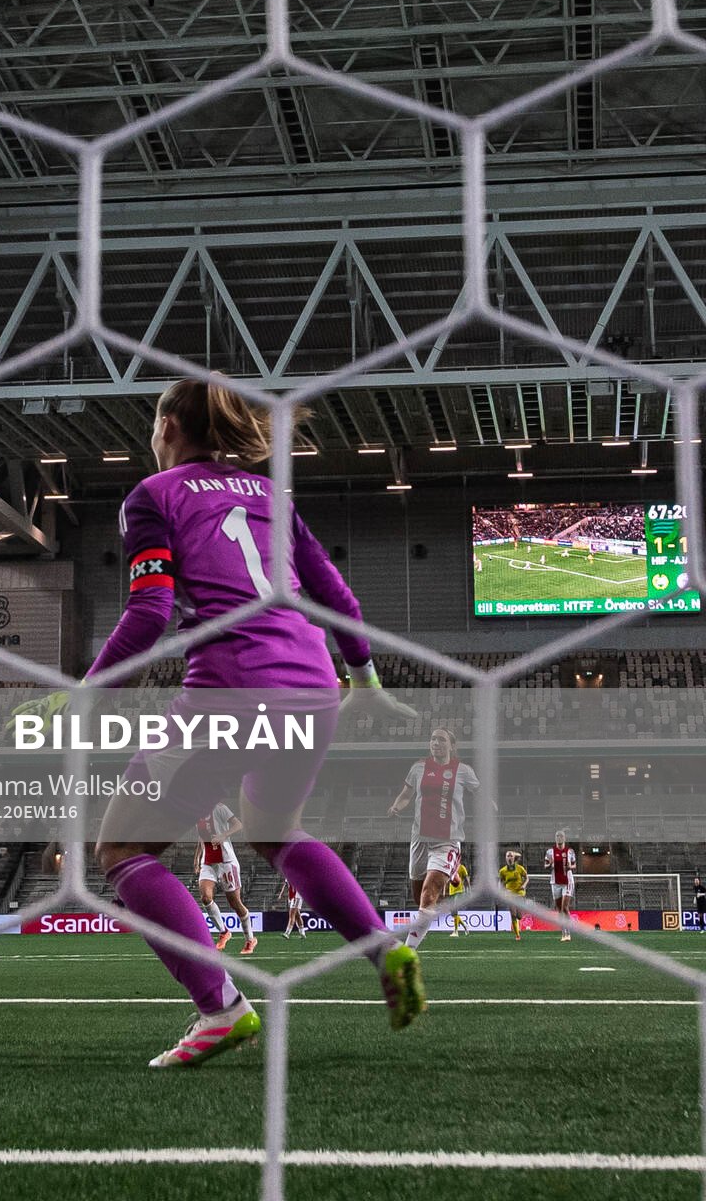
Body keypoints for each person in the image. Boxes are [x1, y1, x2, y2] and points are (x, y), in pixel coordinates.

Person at [87, 377, 424, 1070]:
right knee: (275, 831)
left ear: (168, 427)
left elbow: (149, 612)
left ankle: (221, 1009)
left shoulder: (153, 495)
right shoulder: (273, 494)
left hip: (234, 686)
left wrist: (88, 692)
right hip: (315, 685)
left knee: (122, 848)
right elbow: (337, 597)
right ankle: (383, 946)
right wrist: (364, 680)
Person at [387, 727, 479, 950]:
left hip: (447, 840)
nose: (436, 743)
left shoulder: (463, 771)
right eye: (433, 739)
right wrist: (396, 806)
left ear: (452, 746)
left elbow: (479, 792)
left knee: (429, 895)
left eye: (441, 739)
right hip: (419, 839)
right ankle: (450, 875)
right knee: (419, 898)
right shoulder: (418, 768)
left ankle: (408, 951)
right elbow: (406, 794)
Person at [194, 803, 256, 955]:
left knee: (235, 903)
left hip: (226, 862)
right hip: (208, 862)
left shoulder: (219, 808)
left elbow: (238, 824)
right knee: (205, 897)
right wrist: (197, 858)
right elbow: (202, 837)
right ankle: (224, 932)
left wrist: (223, 835)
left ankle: (250, 939)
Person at [546, 830, 577, 942]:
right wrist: (550, 864)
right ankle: (563, 932)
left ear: (564, 838)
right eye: (557, 836)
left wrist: (570, 867)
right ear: (555, 838)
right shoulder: (550, 852)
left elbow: (574, 865)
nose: (559, 838)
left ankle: (568, 932)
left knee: (564, 907)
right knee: (559, 909)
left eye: (561, 836)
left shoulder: (570, 851)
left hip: (567, 881)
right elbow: (545, 865)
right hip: (555, 882)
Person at [499, 851, 528, 942]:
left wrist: (524, 885)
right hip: (509, 894)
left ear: (513, 858)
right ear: (505, 858)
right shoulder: (502, 871)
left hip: (519, 893)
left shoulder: (519, 868)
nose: (509, 857)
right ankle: (517, 935)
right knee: (513, 915)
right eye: (508, 856)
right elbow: (501, 882)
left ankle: (519, 921)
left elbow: (527, 878)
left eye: (511, 856)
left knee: (519, 916)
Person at [445, 860, 470, 937]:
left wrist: (469, 889)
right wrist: (445, 890)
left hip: (459, 891)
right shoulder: (450, 869)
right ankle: (465, 926)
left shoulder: (462, 868)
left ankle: (456, 931)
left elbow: (466, 878)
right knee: (453, 913)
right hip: (451, 892)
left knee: (455, 910)